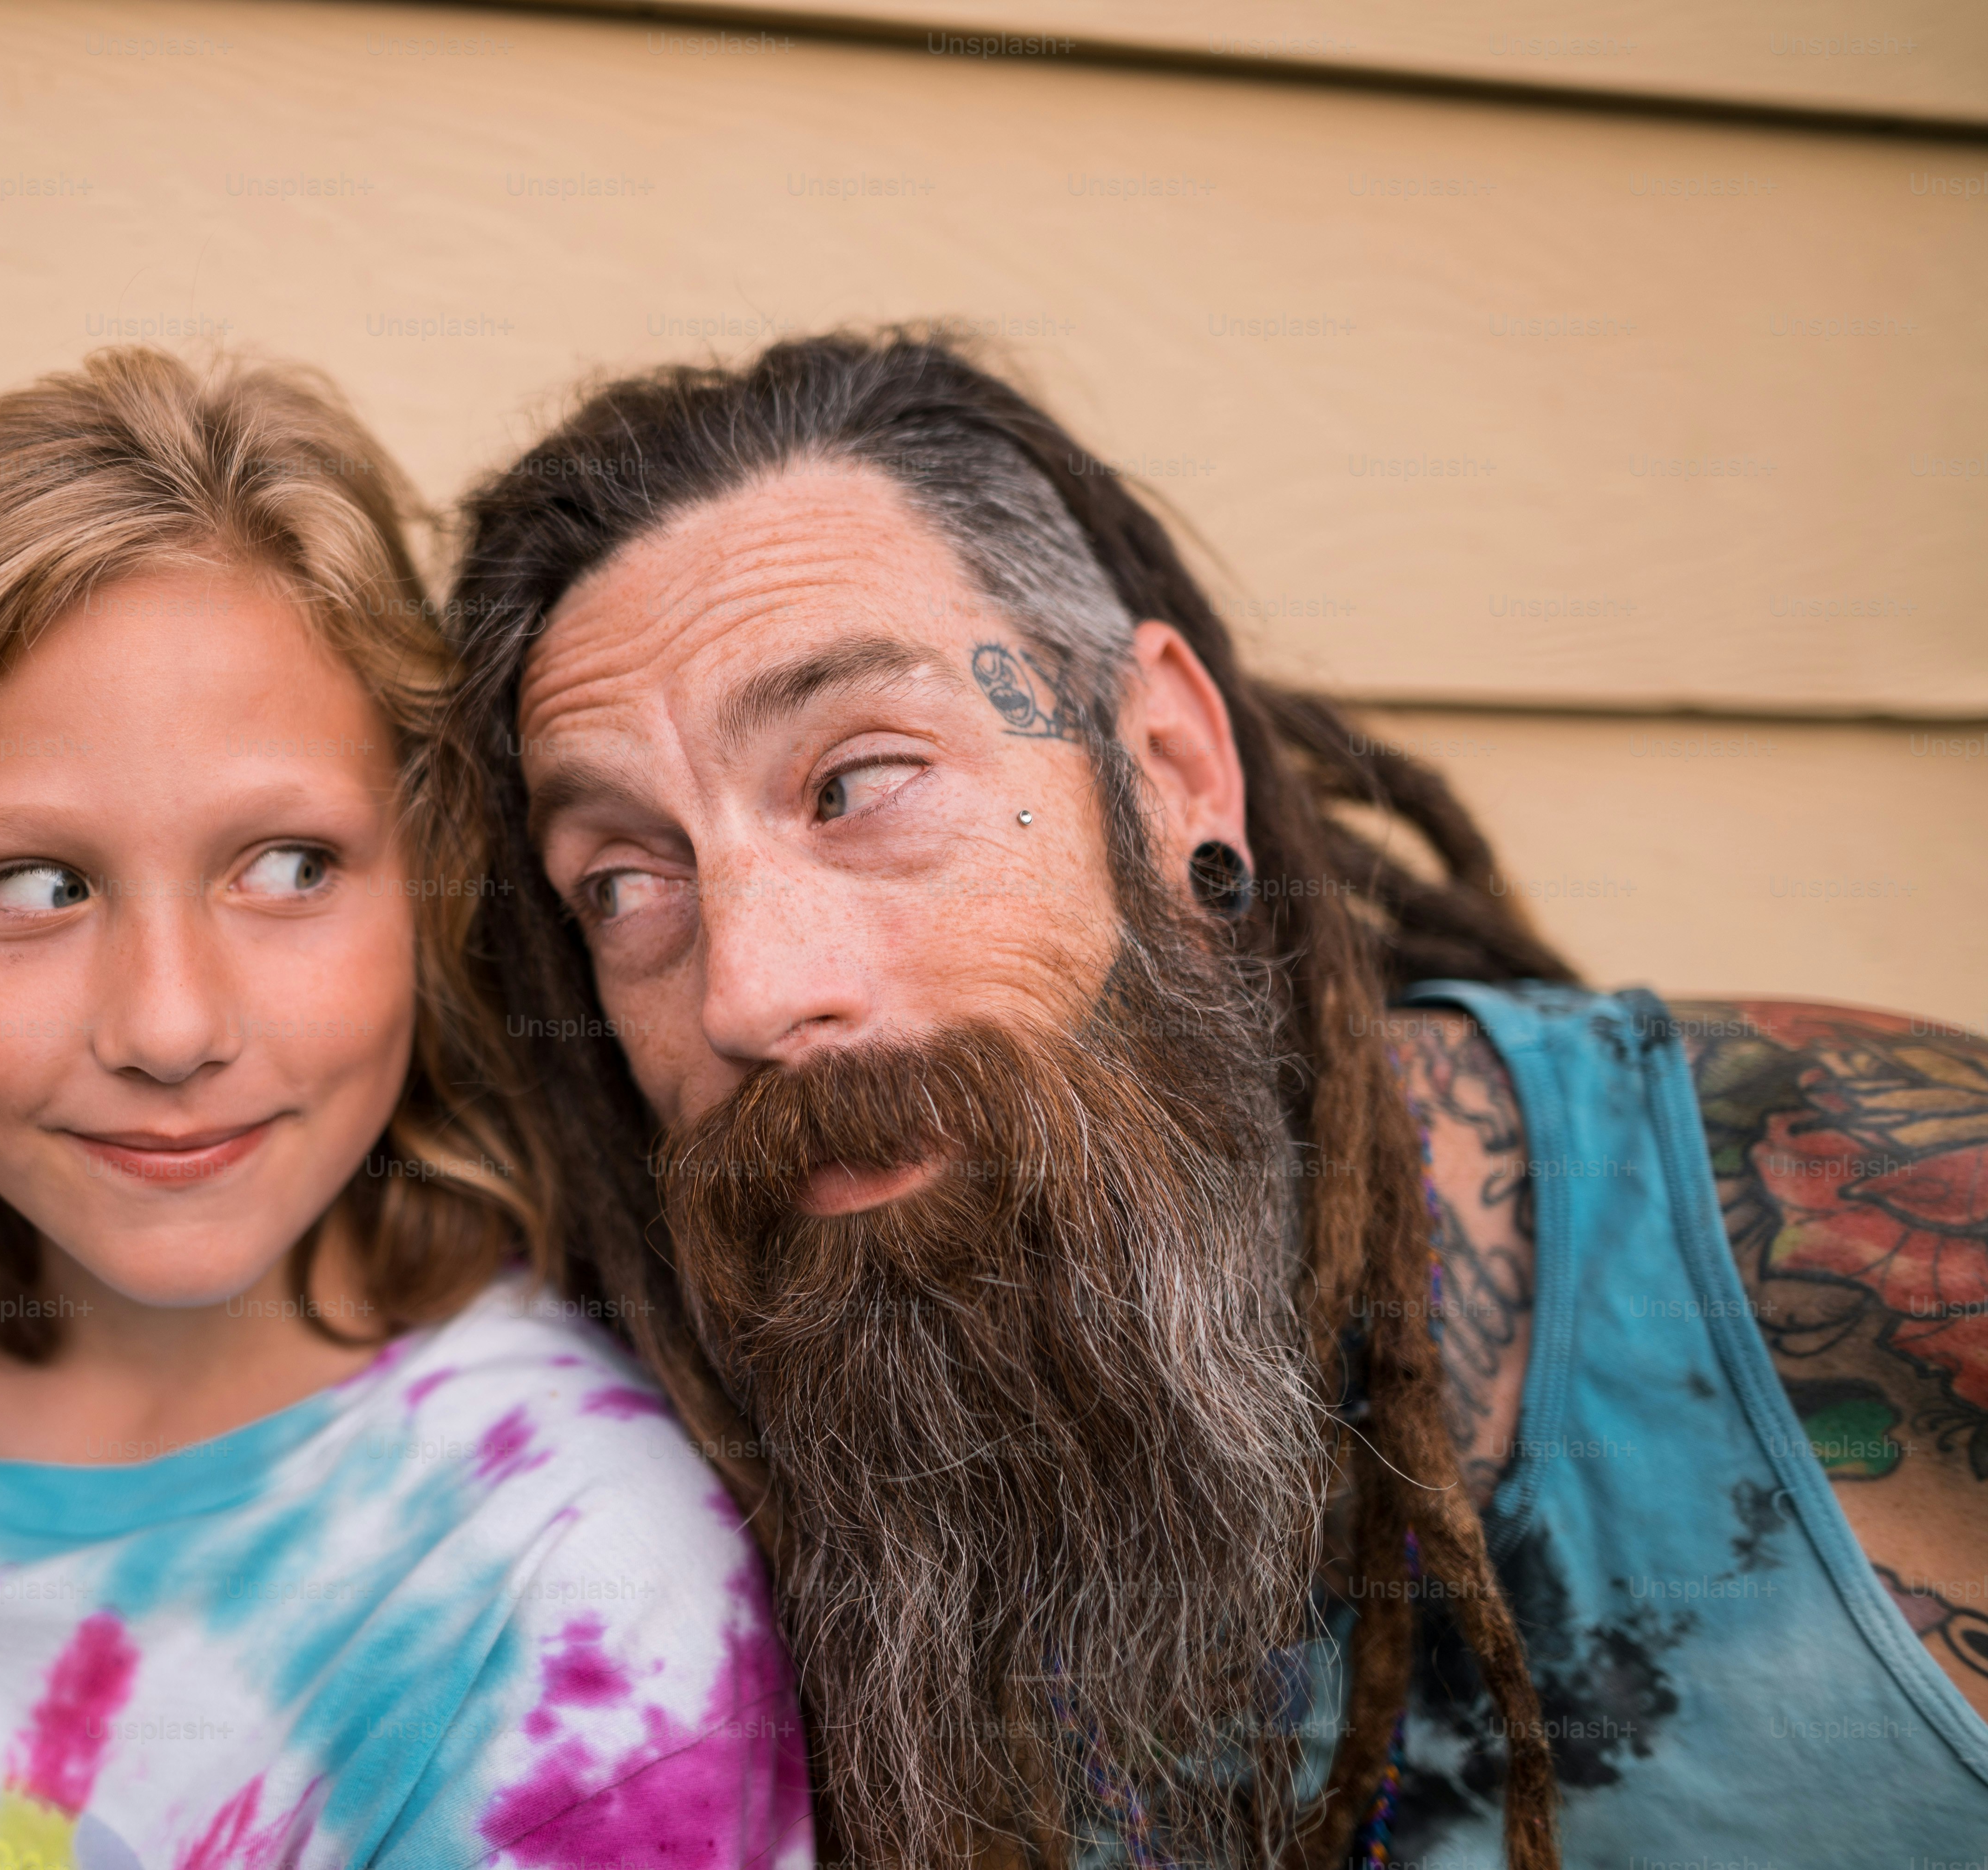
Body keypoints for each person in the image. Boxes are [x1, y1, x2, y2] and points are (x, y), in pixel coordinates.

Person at [434, 327, 1988, 1868]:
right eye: (626, 883)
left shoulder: (1873, 1231)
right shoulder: (637, 1539)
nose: (748, 992)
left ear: (1169, 765)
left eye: (857, 782)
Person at [0, 349, 811, 1870]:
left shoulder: (570, 1567)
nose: (172, 1027)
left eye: (289, 866)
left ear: (426, 885)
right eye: (32, 886)